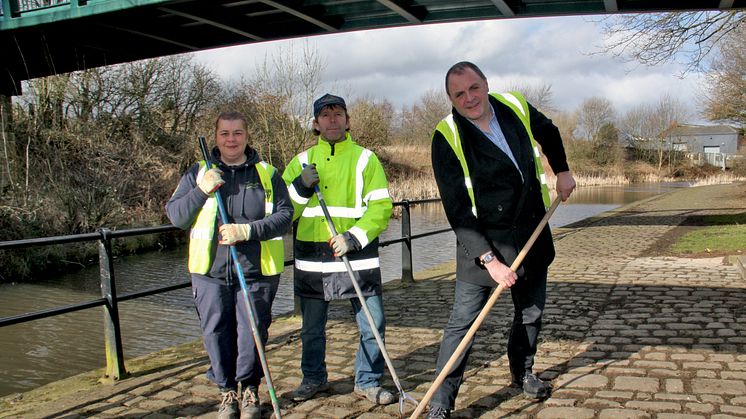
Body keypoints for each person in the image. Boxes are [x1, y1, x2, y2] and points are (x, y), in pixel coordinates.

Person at [425, 62, 576, 419]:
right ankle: (440, 403)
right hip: (482, 245)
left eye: (474, 88)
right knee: (462, 326)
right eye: (459, 94)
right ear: (450, 98)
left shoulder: (515, 105)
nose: (469, 98)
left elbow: (549, 131)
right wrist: (490, 262)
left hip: (532, 233)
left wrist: (563, 169)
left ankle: (522, 372)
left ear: (486, 84)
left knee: (530, 313)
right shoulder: (445, 136)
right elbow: (457, 210)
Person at [165, 111, 293, 419]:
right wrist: (201, 190)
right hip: (210, 274)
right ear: (215, 136)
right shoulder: (198, 172)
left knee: (252, 333)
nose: (231, 139)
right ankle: (227, 392)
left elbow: (285, 216)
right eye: (225, 133)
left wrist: (247, 231)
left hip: (255, 272)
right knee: (216, 333)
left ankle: (250, 389)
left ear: (247, 136)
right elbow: (177, 216)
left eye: (237, 133)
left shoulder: (267, 174)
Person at [281, 94, 395, 405]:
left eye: (337, 114)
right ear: (315, 124)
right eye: (325, 115)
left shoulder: (365, 159)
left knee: (373, 324)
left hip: (356, 256)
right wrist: (300, 188)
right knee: (312, 329)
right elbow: (282, 214)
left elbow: (382, 207)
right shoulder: (300, 162)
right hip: (313, 262)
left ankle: (368, 381)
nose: (332, 120)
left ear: (347, 120)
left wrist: (355, 236)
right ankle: (314, 378)